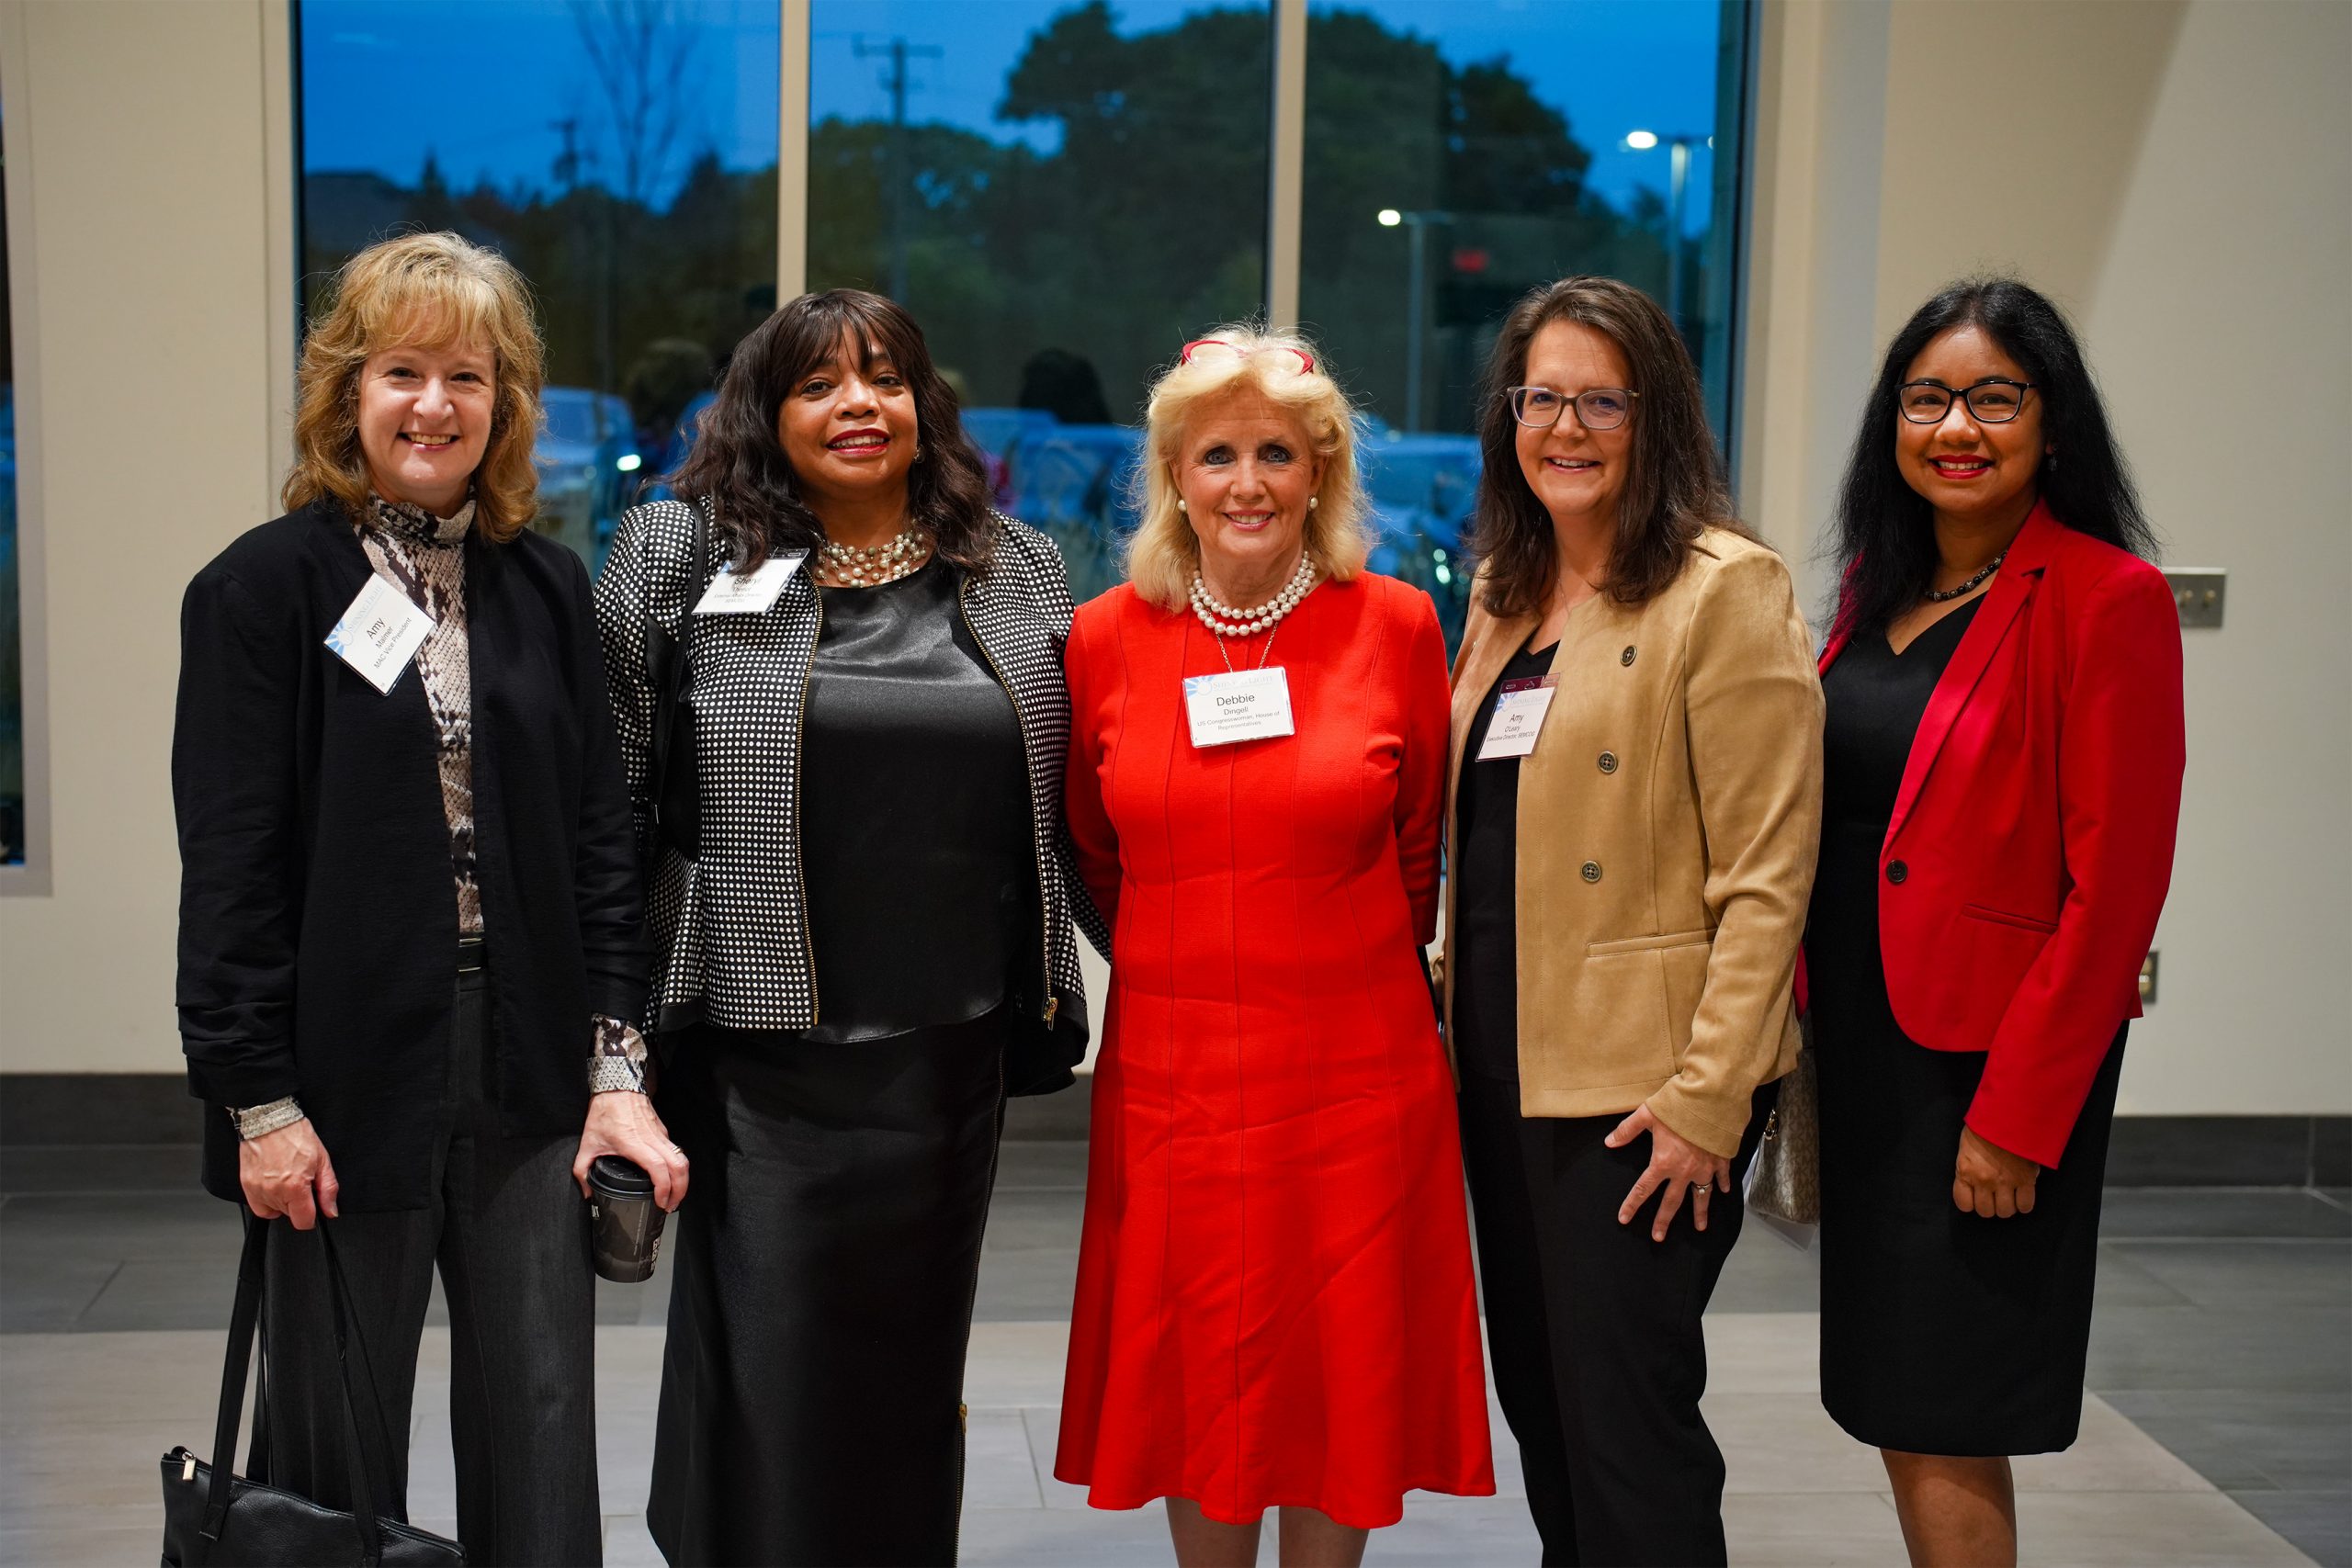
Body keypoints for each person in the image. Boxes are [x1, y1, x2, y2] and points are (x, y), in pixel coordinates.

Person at [173, 231, 681, 1566]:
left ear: (505, 407)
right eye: (404, 370)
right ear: (349, 389)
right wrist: (258, 1102)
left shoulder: (545, 588)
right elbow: (231, 866)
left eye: (470, 375)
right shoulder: (261, 590)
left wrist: (617, 1066)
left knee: (543, 1415)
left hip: (527, 1068)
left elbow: (600, 844)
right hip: (338, 1082)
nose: (434, 405)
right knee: (339, 1439)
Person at [595, 288, 1098, 1567]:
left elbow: (1079, 796)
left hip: (948, 1054)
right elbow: (612, 803)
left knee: (909, 1373)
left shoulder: (1017, 564)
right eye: (819, 383)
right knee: (772, 1368)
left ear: (926, 407)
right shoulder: (676, 553)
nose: (857, 404)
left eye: (884, 377)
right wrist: (610, 1039)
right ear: (766, 411)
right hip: (758, 1053)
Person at [1055, 329, 1495, 1568]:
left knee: (1338, 1363)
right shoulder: (1103, 639)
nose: (1247, 482)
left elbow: (1421, 852)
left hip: (1354, 1066)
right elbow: (1093, 846)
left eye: (1276, 455)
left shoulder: (1400, 625)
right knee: (1195, 1361)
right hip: (1175, 1075)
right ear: (1175, 476)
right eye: (1217, 455)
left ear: (1321, 474)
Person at [1442, 276, 1822, 1566]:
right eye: (1541, 397)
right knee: (1543, 1406)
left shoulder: (1726, 590)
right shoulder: (1507, 594)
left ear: (1656, 417)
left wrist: (1713, 1095)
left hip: (1644, 1094)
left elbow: (1772, 871)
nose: (1566, 426)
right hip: (1503, 1069)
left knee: (1628, 1426)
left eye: (1601, 399)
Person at [1807, 277, 2183, 1568]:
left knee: (1947, 1405)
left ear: (2051, 426)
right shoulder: (1875, 591)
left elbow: (2114, 891)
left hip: (1982, 1071)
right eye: (1927, 398)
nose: (1955, 425)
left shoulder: (2106, 599)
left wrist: (2018, 1119)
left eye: (1992, 399)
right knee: (1895, 1400)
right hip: (1866, 1052)